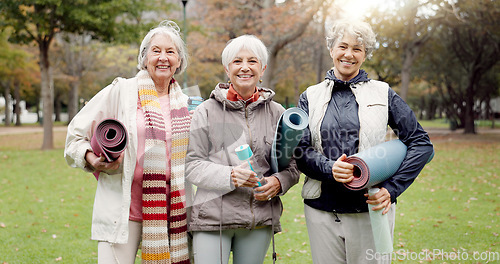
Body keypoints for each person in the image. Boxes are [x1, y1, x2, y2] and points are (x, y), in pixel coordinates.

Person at [294, 19, 434, 264]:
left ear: (365, 55)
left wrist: (391, 190)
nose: (349, 54)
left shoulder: (383, 93)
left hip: (370, 211)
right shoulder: (309, 96)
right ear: (331, 49)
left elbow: (421, 144)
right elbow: (300, 150)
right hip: (321, 211)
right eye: (343, 46)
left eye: (357, 49)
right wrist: (330, 168)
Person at [64, 20, 191, 264]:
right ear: (144, 59)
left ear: (179, 61)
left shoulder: (186, 104)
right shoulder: (122, 91)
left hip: (170, 212)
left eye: (170, 51)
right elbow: (74, 136)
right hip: (123, 211)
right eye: (156, 51)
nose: (163, 57)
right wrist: (93, 160)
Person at [185, 35, 300, 264]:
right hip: (212, 219)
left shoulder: (277, 113)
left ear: (263, 68)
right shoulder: (206, 111)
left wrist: (278, 182)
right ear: (227, 69)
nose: (244, 67)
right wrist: (230, 175)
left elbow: (293, 166)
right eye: (237, 61)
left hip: (258, 220)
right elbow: (192, 165)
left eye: (252, 61)